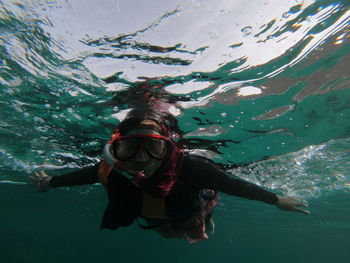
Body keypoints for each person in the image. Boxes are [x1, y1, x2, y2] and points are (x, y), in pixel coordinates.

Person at [28, 108, 309, 243]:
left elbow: (232, 184)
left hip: (189, 210)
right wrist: (50, 181)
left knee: (193, 228)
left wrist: (276, 200)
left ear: (168, 149)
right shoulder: (109, 170)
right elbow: (82, 176)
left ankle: (206, 218)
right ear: (116, 150)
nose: (141, 158)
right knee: (166, 232)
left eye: (152, 147)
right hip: (155, 218)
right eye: (128, 148)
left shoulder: (193, 167)